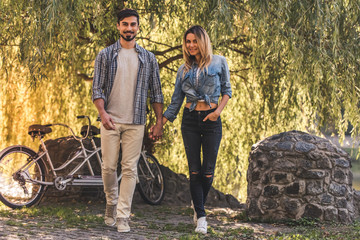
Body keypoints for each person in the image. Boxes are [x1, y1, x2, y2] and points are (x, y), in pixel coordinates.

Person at [153, 25, 232, 234]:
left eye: (194, 41)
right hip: (189, 120)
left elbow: (227, 91)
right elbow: (176, 102)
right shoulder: (183, 70)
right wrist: (160, 123)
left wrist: (217, 112)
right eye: (187, 42)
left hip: (212, 119)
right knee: (194, 170)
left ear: (202, 41)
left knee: (208, 171)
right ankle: (201, 216)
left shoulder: (219, 62)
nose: (190, 45)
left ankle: (198, 204)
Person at [92, 8, 164, 233]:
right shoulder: (105, 55)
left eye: (133, 24)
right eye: (125, 24)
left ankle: (123, 216)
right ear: (118, 26)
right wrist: (103, 114)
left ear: (138, 27)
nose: (129, 28)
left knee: (130, 169)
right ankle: (111, 203)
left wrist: (159, 121)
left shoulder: (149, 58)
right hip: (110, 120)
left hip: (136, 121)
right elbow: (97, 89)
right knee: (108, 167)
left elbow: (157, 93)